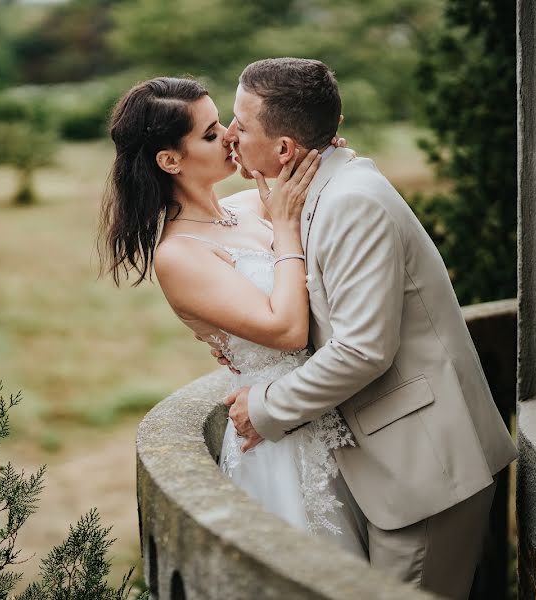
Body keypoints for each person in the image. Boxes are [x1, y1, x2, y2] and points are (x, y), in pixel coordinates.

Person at [217, 57, 518, 600]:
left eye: (242, 123)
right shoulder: (325, 187)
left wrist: (265, 408)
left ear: (286, 149)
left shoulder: (352, 203)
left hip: (424, 470)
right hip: (393, 464)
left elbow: (362, 349)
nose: (229, 135)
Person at [98, 76, 367, 557]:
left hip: (336, 414)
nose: (227, 135)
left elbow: (316, 183)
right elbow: (286, 330)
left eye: (222, 121)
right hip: (277, 439)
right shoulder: (179, 255)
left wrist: (315, 152)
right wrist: (284, 227)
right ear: (169, 160)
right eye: (207, 133)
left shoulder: (251, 204)